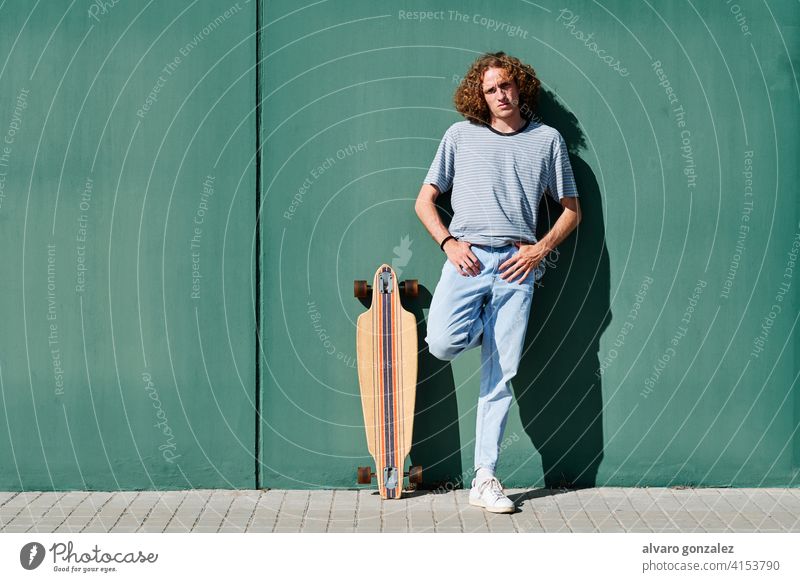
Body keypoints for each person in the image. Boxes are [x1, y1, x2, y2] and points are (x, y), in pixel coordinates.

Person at [415, 52, 581, 513]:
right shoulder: (459, 136)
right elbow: (425, 201)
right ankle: (490, 330)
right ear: (480, 95)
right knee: (441, 342)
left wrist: (539, 249)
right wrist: (448, 243)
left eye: (506, 85)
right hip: (465, 259)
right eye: (490, 89)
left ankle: (485, 478)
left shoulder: (547, 141)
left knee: (500, 376)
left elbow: (571, 210)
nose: (500, 95)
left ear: (519, 86)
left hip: (515, 265)